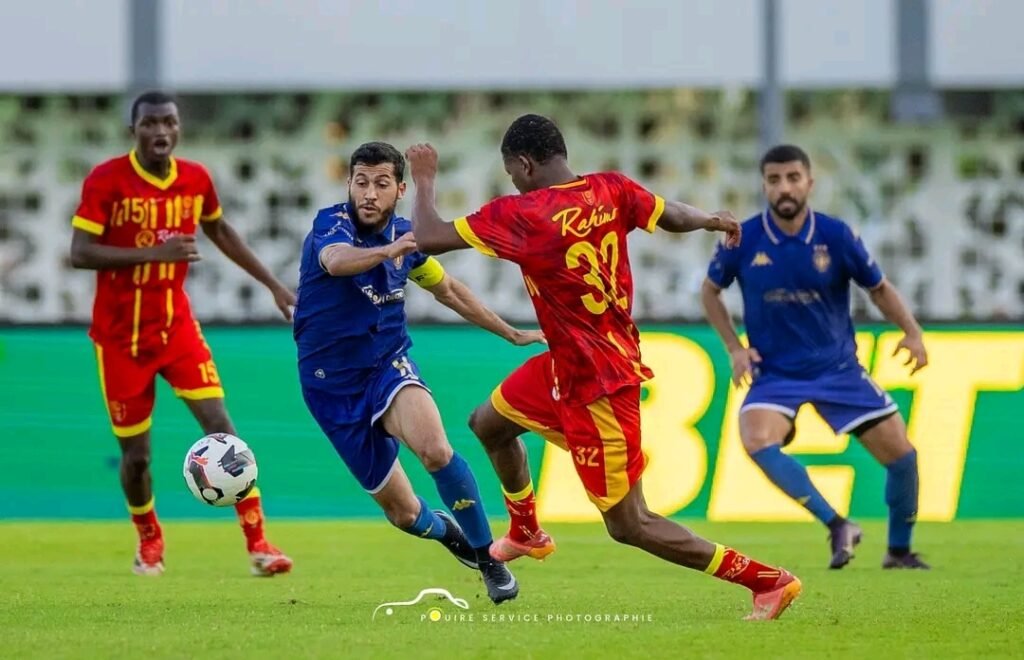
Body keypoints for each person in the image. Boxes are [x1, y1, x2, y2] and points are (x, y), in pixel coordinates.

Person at [404, 115, 802, 621]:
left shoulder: (523, 213)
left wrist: (423, 178)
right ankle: (526, 531)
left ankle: (766, 580)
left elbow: (427, 236)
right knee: (489, 424)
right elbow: (671, 214)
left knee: (630, 523)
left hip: (598, 382)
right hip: (566, 363)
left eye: (511, 174)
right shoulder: (611, 189)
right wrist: (709, 220)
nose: (513, 183)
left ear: (524, 164)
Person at [293, 141, 543, 604]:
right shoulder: (332, 224)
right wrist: (390, 250)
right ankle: (451, 534)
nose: (369, 193)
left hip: (387, 364)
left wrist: (508, 332)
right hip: (329, 386)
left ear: (400, 189)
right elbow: (336, 261)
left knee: (435, 450)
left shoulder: (407, 241)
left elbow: (448, 290)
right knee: (404, 513)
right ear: (349, 184)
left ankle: (488, 557)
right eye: (361, 182)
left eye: (381, 183)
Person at [69, 91, 295, 577]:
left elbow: (221, 230)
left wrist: (274, 285)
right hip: (121, 341)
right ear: (133, 130)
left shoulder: (195, 179)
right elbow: (80, 252)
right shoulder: (107, 180)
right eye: (150, 123)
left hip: (176, 330)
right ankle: (149, 539)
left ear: (178, 128)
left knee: (223, 431)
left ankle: (259, 544)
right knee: (136, 458)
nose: (161, 131)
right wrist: (154, 254)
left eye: (169, 122)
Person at [700, 144, 929, 570]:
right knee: (756, 439)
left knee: (903, 459)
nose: (784, 188)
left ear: (809, 182)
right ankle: (838, 524)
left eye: (793, 178)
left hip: (838, 370)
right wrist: (734, 347)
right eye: (774, 180)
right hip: (775, 374)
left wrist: (912, 332)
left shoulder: (836, 236)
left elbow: (878, 288)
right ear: (764, 185)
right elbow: (710, 291)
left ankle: (899, 552)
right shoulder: (743, 239)